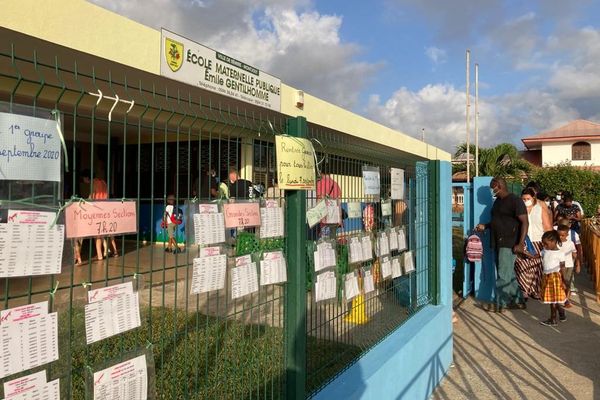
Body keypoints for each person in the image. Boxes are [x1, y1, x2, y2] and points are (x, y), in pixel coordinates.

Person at [476, 177, 528, 312]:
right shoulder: (498, 202)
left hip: (509, 242)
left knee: (503, 275)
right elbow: (498, 220)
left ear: (499, 185)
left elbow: (525, 222)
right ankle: (518, 301)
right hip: (497, 241)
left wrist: (521, 243)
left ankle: (500, 304)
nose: (491, 189)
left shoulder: (515, 201)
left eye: (492, 186)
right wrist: (486, 226)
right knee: (508, 273)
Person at [514, 188, 552, 301]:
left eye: (528, 199)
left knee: (536, 267)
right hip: (523, 241)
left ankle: (535, 290)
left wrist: (549, 243)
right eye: (524, 199)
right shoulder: (518, 210)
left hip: (538, 241)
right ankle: (524, 290)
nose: (526, 200)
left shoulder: (540, 209)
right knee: (521, 265)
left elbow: (547, 227)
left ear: (533, 198)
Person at [81, 169, 118, 261]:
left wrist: (83, 202)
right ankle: (112, 251)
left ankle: (100, 255)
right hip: (106, 209)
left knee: (97, 235)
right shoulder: (103, 182)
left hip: (97, 210)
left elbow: (91, 197)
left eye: (83, 178)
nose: (83, 180)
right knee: (107, 233)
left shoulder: (94, 184)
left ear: (87, 177)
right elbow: (107, 195)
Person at [539, 230, 567, 326]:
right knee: (554, 299)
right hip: (546, 277)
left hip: (555, 278)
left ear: (553, 241)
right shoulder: (544, 251)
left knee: (552, 300)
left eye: (546, 244)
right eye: (543, 244)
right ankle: (561, 313)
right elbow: (536, 256)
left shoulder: (560, 253)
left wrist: (564, 281)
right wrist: (525, 254)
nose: (545, 246)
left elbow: (562, 268)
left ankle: (553, 319)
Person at [557, 224, 578, 308]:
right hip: (558, 266)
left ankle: (567, 300)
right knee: (560, 282)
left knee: (567, 283)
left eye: (563, 235)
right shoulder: (555, 243)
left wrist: (577, 263)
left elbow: (574, 253)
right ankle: (559, 299)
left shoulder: (571, 243)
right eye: (559, 235)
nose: (561, 237)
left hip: (569, 266)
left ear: (567, 235)